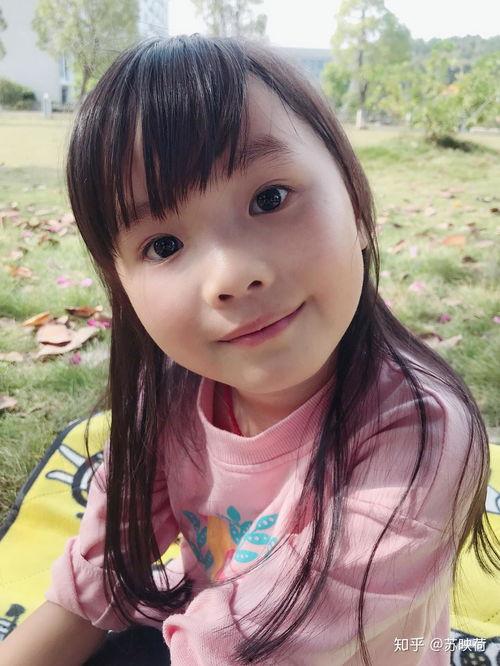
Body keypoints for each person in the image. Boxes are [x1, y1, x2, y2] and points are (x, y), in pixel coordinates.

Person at [0, 34, 498, 666]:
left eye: (270, 198)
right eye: (163, 245)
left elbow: (247, 648)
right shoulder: (167, 397)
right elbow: (96, 586)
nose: (232, 275)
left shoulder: (422, 436)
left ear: (357, 204)